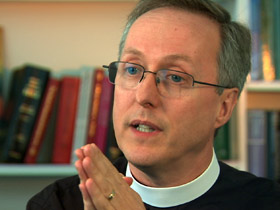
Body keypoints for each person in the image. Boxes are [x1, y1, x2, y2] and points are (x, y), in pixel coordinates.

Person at [27, 0, 280, 209]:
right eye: (133, 69)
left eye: (176, 77)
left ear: (224, 107)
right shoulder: (55, 203)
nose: (144, 95)